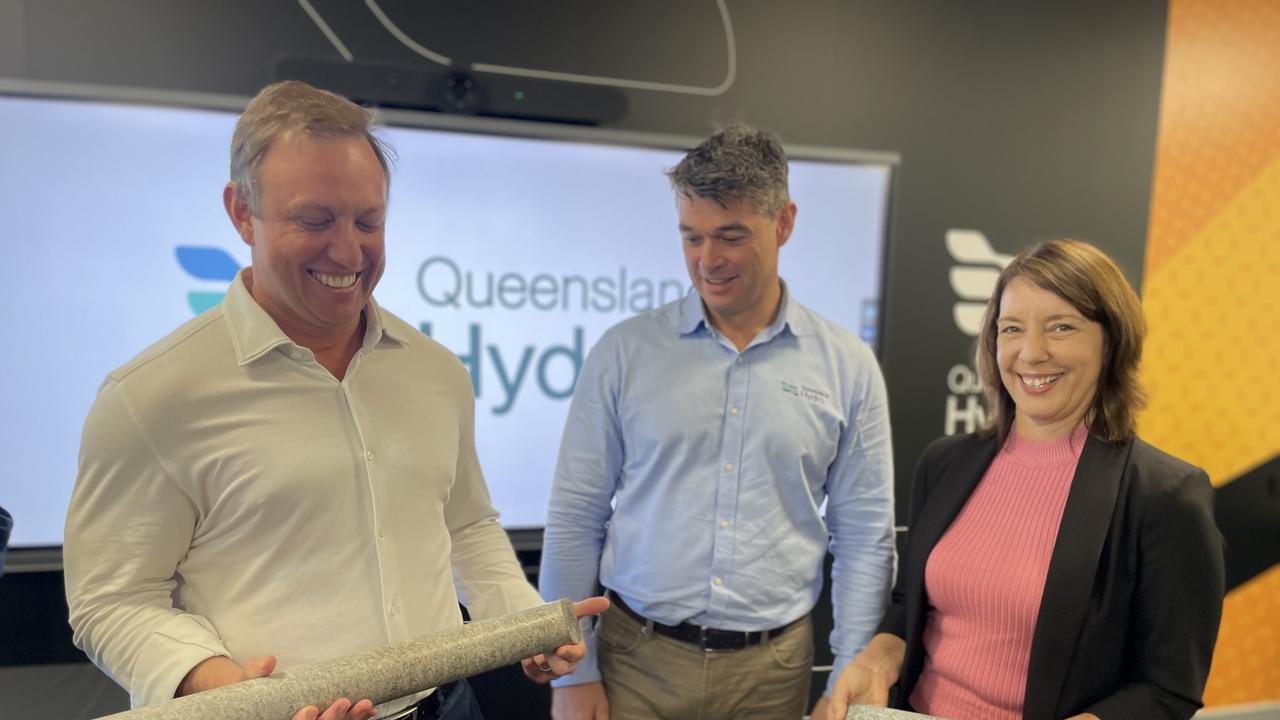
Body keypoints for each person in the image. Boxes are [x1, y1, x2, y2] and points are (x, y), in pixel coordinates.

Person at [64, 81, 605, 720]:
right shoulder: (151, 396)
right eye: (315, 220)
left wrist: (524, 623)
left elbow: (464, 525)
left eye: (367, 221)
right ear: (242, 213)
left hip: (448, 707)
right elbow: (112, 598)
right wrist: (215, 683)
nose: (348, 251)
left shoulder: (435, 373)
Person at [539, 125, 896, 720]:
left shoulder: (847, 366)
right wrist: (572, 673)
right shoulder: (624, 352)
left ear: (784, 222)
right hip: (635, 660)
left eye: (732, 236)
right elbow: (577, 514)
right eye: (691, 237)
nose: (708, 260)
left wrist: (849, 673)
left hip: (772, 673)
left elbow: (864, 536)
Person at [828, 239, 1225, 720]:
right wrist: (875, 660)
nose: (1031, 353)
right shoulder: (944, 463)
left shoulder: (1164, 496)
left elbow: (1168, 690)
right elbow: (908, 604)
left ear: (1112, 341)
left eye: (1062, 327)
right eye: (1011, 328)